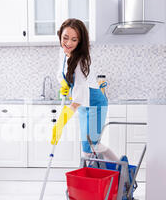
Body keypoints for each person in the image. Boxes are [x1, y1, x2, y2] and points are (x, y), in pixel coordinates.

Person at [51, 18, 119, 162]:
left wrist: (61, 122)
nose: (68, 43)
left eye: (74, 40)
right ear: (60, 36)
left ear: (80, 42)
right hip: (83, 106)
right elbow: (60, 72)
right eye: (65, 38)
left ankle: (121, 168)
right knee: (88, 147)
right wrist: (63, 83)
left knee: (90, 148)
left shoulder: (81, 62)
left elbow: (77, 99)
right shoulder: (63, 52)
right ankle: (99, 173)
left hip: (95, 105)